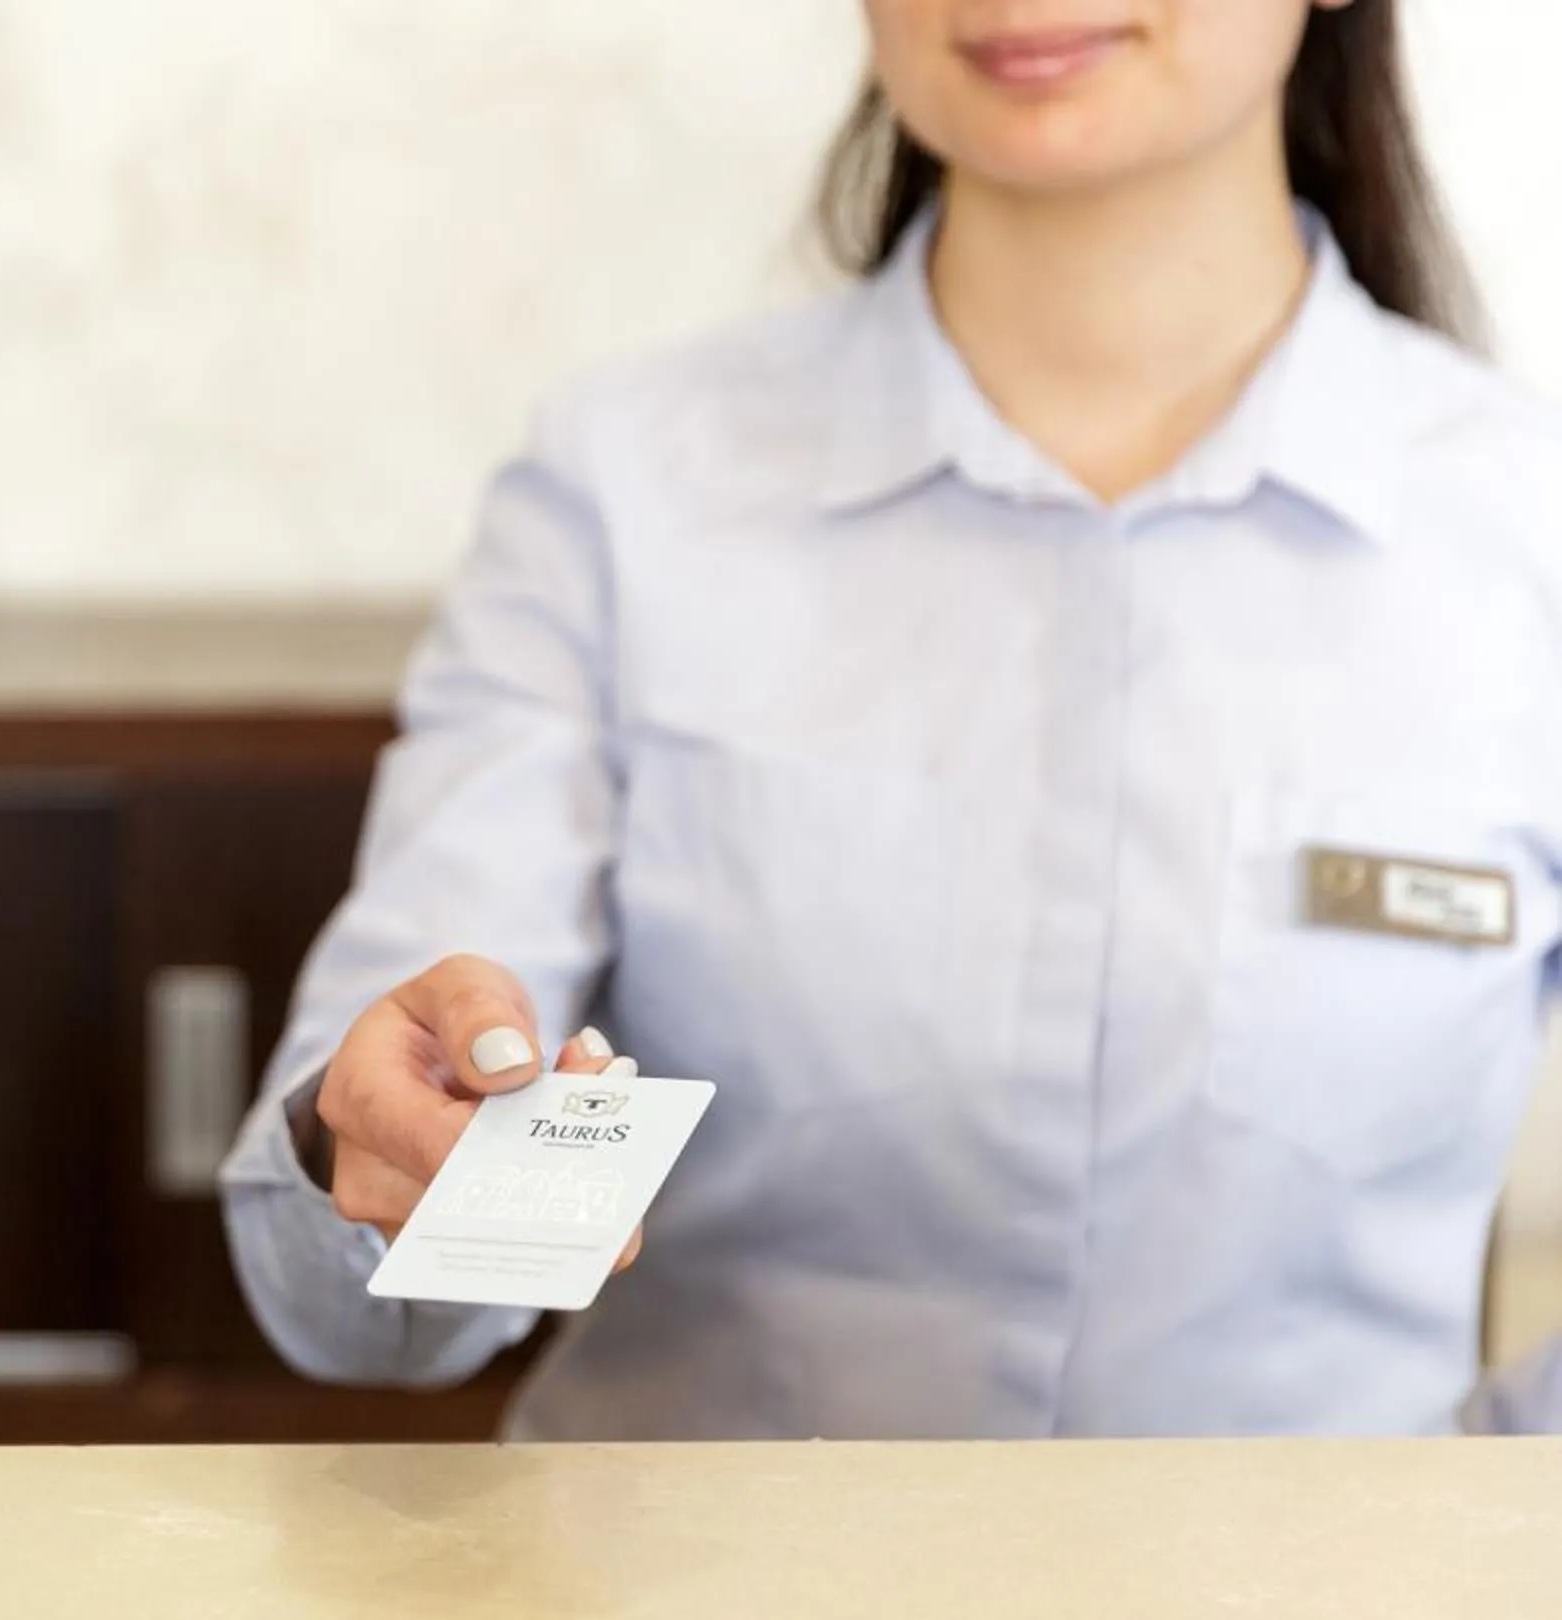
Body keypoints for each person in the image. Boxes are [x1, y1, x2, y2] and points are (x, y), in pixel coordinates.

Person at [225, 0, 1562, 1439]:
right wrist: (383, 1148)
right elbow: (351, 1295)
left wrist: (1466, 1538)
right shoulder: (621, 491)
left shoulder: (1522, 533)